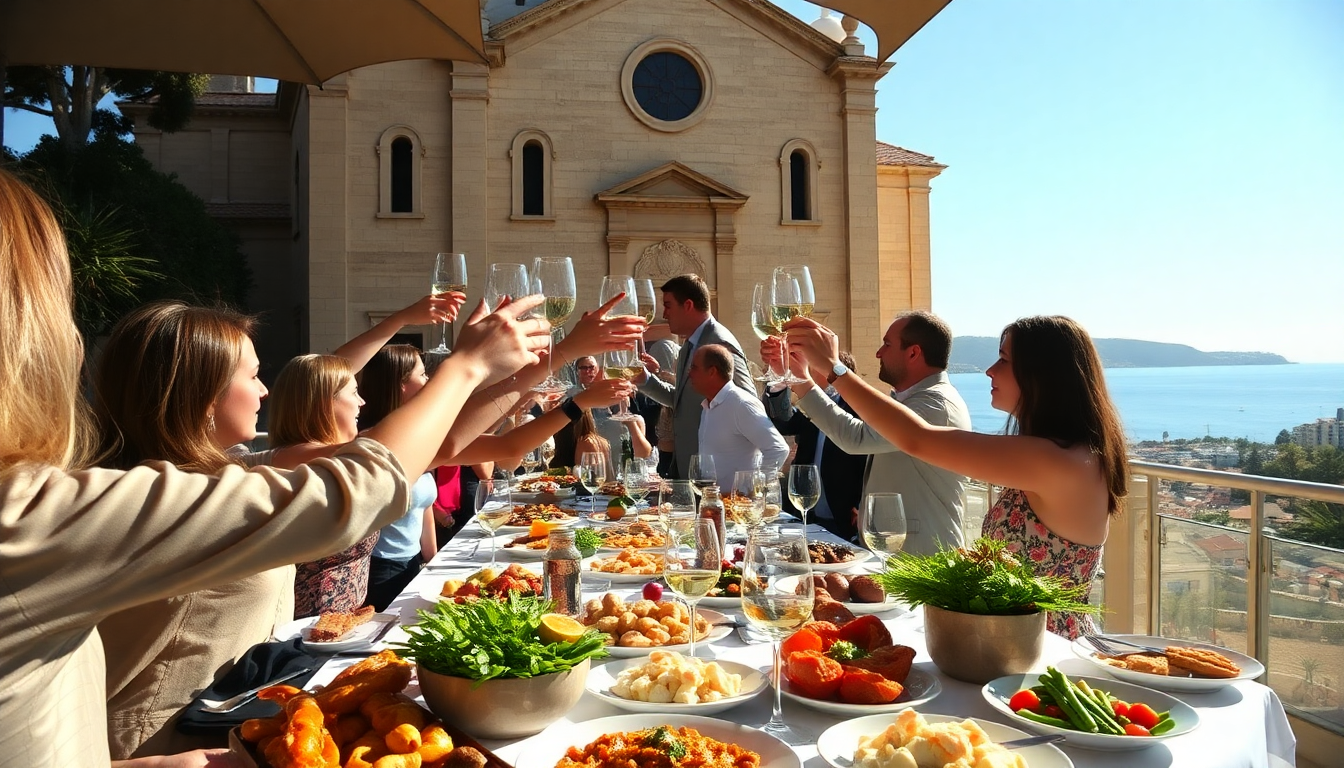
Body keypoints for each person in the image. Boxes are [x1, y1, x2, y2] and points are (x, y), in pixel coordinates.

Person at [0, 162, 552, 767]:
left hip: (204, 740)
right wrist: (467, 367)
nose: (266, 392)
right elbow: (360, 484)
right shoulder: (48, 513)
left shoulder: (223, 469)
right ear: (200, 392)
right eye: (253, 375)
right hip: (187, 730)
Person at [786, 314, 1127, 638]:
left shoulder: (1056, 462)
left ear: (1044, 374)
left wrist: (834, 369)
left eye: (1004, 360)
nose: (990, 371)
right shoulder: (1061, 454)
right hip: (1014, 639)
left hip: (1040, 648)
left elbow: (915, 438)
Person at [766, 311, 971, 556]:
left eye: (887, 344)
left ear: (914, 352)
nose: (878, 353)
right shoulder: (915, 401)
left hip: (922, 557)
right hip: (894, 551)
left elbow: (856, 437)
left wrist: (830, 366)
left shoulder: (935, 405)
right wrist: (798, 377)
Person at [265, 354, 382, 618]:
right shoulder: (296, 460)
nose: (362, 402)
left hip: (342, 628)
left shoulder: (337, 457)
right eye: (354, 392)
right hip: (306, 637)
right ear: (323, 403)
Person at [635, 274, 752, 478]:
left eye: (668, 306)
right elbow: (679, 401)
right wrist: (644, 380)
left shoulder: (720, 343)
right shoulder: (688, 347)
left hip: (715, 478)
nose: (665, 314)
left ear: (688, 305)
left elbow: (749, 403)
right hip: (690, 470)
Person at [355, 344, 443, 610]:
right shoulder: (371, 441)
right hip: (380, 569)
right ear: (401, 384)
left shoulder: (414, 436)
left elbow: (423, 505)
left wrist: (433, 562)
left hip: (412, 563)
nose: (427, 381)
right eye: (422, 375)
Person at [763, 351, 868, 541]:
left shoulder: (859, 410)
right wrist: (778, 384)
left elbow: (868, 461)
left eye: (814, 367)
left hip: (845, 518)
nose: (808, 372)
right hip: (806, 514)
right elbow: (784, 421)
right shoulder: (813, 407)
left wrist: (862, 506)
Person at [687, 344, 788, 487]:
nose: (689, 373)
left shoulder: (741, 404)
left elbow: (778, 449)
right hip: (715, 504)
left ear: (712, 372)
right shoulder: (709, 406)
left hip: (740, 506)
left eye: (694, 368)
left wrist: (751, 491)